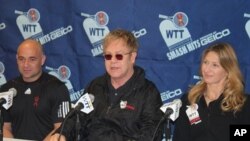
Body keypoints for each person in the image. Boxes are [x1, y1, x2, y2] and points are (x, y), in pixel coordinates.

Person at [50, 29, 164, 141]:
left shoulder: (148, 92)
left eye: (119, 56)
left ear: (132, 57)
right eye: (108, 56)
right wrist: (62, 134)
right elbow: (76, 118)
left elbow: (151, 134)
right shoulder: (95, 86)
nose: (113, 61)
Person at [173, 42, 250, 141]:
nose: (207, 69)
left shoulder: (241, 103)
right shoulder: (189, 100)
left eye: (215, 65)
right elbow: (180, 137)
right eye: (205, 62)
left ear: (227, 70)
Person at [0, 39, 71, 141]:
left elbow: (61, 128)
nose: (26, 65)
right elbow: (4, 127)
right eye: (21, 59)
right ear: (16, 59)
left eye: (32, 59)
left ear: (42, 60)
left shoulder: (57, 88)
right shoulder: (7, 89)